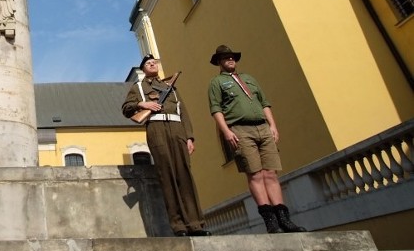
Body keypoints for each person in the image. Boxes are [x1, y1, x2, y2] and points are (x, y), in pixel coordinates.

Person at [207, 45, 306, 233]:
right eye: (225, 58)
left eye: (232, 57)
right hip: (240, 129)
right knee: (255, 173)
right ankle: (270, 221)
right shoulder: (217, 83)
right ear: (219, 62)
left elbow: (264, 103)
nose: (230, 60)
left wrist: (273, 125)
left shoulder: (249, 79)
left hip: (262, 127)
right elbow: (216, 109)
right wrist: (227, 132)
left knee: (271, 172)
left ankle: (284, 219)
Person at [122, 54, 210, 237]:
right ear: (143, 69)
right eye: (148, 63)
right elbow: (126, 108)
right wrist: (143, 103)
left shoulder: (171, 88)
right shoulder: (138, 87)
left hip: (177, 130)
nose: (153, 64)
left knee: (185, 175)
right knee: (167, 176)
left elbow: (183, 112)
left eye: (154, 62)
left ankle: (196, 224)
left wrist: (189, 137)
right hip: (157, 130)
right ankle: (178, 226)